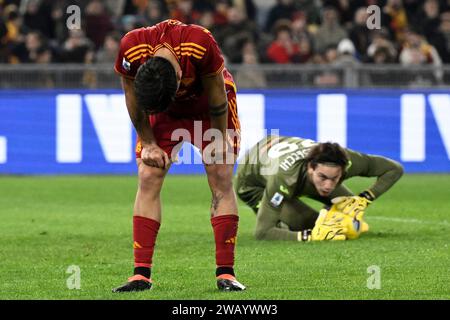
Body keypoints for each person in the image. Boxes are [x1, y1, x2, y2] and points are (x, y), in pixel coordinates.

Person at [112, 19, 245, 292]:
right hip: (165, 114)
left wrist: (219, 139)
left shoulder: (199, 42)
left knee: (220, 174)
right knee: (148, 175)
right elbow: (131, 97)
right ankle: (140, 275)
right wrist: (148, 142)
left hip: (208, 107)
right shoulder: (130, 47)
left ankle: (226, 274)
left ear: (177, 80)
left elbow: (218, 93)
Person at [235, 135, 404, 241]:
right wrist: (310, 236)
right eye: (323, 177)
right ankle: (289, 223)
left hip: (278, 150)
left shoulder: (349, 160)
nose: (328, 186)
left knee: (348, 212)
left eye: (335, 178)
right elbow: (262, 233)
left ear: (344, 171)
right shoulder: (284, 178)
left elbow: (394, 169)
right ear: (311, 168)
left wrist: (365, 198)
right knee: (311, 224)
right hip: (252, 182)